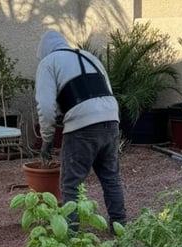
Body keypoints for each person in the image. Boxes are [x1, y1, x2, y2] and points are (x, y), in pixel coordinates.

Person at [35, 30, 126, 227]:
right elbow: (106, 90)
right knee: (111, 177)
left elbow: (46, 107)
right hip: (111, 119)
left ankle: (72, 233)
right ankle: (120, 225)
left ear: (43, 50)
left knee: (71, 184)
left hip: (82, 125)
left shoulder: (48, 63)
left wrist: (47, 140)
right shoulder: (89, 56)